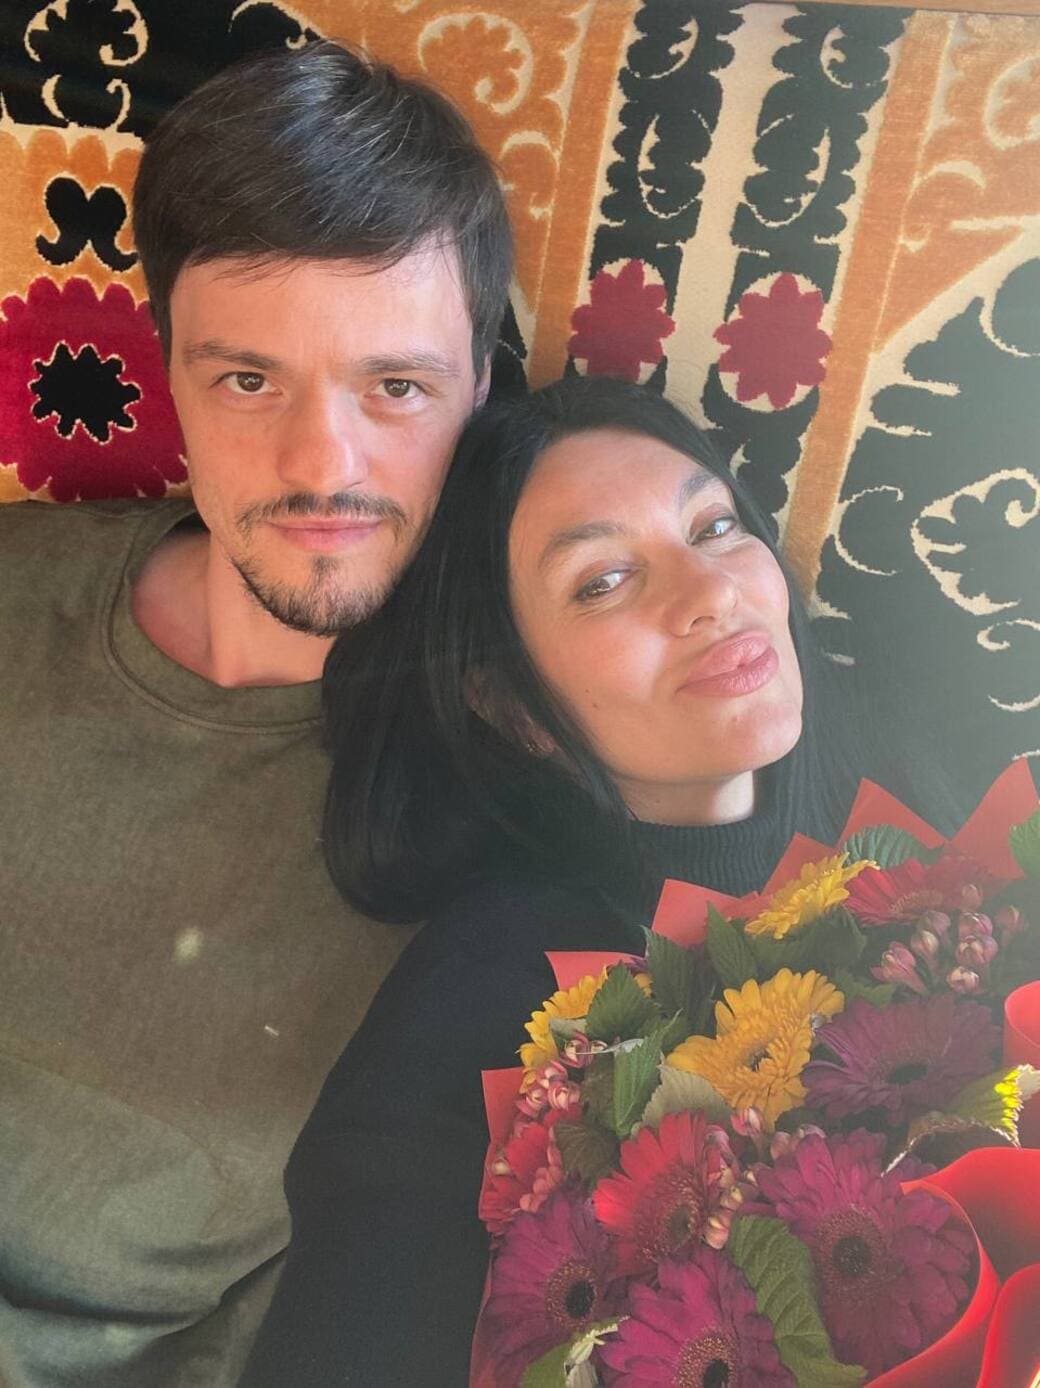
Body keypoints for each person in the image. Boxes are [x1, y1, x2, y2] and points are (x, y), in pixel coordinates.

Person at [241, 376, 971, 1386]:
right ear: (512, 706)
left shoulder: (937, 780)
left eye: (714, 526)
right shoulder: (487, 1000)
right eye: (603, 581)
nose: (709, 592)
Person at [0, 40, 511, 1388]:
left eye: (395, 387)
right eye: (247, 379)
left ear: (480, 391)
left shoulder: (513, 803)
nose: (319, 463)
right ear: (165, 372)